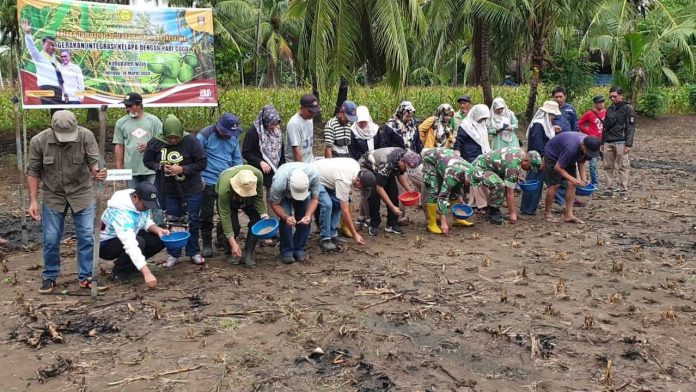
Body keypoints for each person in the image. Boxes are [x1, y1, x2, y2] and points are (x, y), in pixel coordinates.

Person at [26, 110, 107, 294]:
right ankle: (50, 276)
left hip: (81, 192)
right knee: (51, 237)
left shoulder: (86, 136)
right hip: (54, 194)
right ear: (51, 128)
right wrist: (33, 201)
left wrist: (98, 171)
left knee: (87, 235)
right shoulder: (38, 141)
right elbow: (33, 172)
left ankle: (87, 276)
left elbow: (94, 161)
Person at [143, 114, 207, 267]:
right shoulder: (156, 142)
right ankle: (174, 254)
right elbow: (147, 161)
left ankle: (194, 252)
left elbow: (202, 162)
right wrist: (159, 167)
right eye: (169, 138)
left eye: (175, 138)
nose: (172, 141)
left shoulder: (191, 141)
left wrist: (182, 169)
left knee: (192, 220)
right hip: (168, 189)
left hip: (191, 188)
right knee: (172, 220)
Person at [99, 182, 169, 287]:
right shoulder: (120, 213)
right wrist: (147, 273)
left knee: (160, 238)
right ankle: (119, 272)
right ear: (136, 197)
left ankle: (133, 265)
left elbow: (144, 221)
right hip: (105, 244)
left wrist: (158, 230)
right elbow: (130, 244)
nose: (147, 208)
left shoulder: (140, 205)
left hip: (130, 234)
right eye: (145, 205)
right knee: (138, 242)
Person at [197, 113, 244, 258]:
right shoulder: (205, 135)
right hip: (208, 180)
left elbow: (237, 160)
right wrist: (198, 177)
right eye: (226, 132)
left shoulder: (234, 137)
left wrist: (238, 178)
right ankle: (206, 244)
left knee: (227, 212)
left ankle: (222, 240)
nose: (228, 135)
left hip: (227, 181)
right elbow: (195, 157)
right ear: (219, 127)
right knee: (206, 214)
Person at [311, 158, 376, 251]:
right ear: (358, 180)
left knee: (338, 203)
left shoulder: (356, 167)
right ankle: (325, 238)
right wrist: (355, 235)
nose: (360, 190)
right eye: (361, 188)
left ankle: (332, 234)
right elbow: (345, 212)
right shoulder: (345, 180)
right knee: (327, 204)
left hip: (330, 179)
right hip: (315, 176)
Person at [359, 148, 421, 236]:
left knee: (394, 192)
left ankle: (392, 224)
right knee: (374, 195)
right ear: (402, 161)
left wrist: (409, 189)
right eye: (407, 167)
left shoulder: (404, 156)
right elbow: (379, 187)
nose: (407, 170)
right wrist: (392, 207)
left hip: (384, 168)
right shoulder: (387, 165)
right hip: (369, 166)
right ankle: (374, 223)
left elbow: (400, 172)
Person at [543, 133, 602, 224]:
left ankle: (569, 215)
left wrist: (583, 178)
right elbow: (558, 168)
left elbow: (581, 161)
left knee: (572, 184)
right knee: (555, 184)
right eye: (588, 151)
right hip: (553, 155)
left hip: (569, 157)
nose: (589, 154)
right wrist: (574, 179)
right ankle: (547, 213)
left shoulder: (590, 146)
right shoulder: (571, 148)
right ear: (583, 145)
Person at [473, 147, 542, 225]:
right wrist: (512, 214)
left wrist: (517, 176)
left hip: (489, 166)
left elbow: (504, 165)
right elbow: (510, 191)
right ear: (526, 160)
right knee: (500, 185)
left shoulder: (520, 154)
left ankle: (495, 208)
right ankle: (492, 212)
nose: (528, 170)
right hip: (479, 168)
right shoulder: (513, 165)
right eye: (530, 167)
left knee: (503, 183)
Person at [216, 165, 268, 268]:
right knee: (233, 226)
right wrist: (233, 244)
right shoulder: (224, 188)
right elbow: (225, 216)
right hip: (230, 199)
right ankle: (228, 251)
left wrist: (264, 215)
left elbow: (258, 198)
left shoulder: (258, 176)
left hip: (250, 199)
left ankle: (248, 254)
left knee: (257, 220)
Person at [422, 148, 483, 235]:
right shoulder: (453, 174)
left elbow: (458, 184)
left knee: (455, 191)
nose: (469, 185)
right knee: (433, 190)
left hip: (446, 160)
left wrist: (460, 197)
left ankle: (458, 219)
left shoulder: (470, 169)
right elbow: (442, 197)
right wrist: (444, 223)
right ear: (466, 177)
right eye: (469, 183)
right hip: (431, 159)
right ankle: (432, 223)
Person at [269, 162, 321, 264]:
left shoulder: (314, 176)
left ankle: (299, 248)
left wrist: (308, 215)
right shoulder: (279, 181)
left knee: (305, 219)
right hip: (284, 196)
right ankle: (287, 250)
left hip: (305, 196)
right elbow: (275, 204)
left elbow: (314, 199)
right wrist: (286, 216)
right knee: (286, 221)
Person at [520, 101, 561, 215]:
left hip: (541, 157)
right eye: (552, 115)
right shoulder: (539, 125)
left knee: (536, 183)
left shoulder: (545, 124)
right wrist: (542, 160)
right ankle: (528, 208)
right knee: (533, 183)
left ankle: (530, 207)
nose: (553, 117)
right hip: (537, 158)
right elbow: (538, 145)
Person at [114, 92, 162, 187]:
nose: (127, 109)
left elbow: (162, 141)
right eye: (126, 106)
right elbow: (119, 145)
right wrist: (119, 167)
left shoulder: (154, 121)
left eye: (130, 106)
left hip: (151, 168)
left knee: (151, 197)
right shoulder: (121, 122)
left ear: (140, 105)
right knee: (133, 197)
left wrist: (149, 146)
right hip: (131, 169)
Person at [454, 104, 491, 210]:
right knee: (474, 177)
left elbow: (484, 140)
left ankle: (478, 200)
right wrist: (457, 151)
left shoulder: (482, 125)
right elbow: (459, 140)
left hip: (481, 154)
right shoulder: (466, 126)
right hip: (469, 155)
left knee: (481, 177)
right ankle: (477, 202)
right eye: (481, 117)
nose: (482, 120)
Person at [550, 86, 582, 207]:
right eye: (556, 97)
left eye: (560, 96)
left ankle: (571, 196)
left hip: (570, 143)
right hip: (556, 144)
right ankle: (560, 199)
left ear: (565, 96)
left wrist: (577, 138)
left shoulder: (570, 109)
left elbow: (575, 124)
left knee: (570, 169)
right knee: (558, 170)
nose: (558, 99)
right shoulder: (550, 109)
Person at [602, 87, 635, 199]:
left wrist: (628, 144)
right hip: (608, 141)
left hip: (621, 142)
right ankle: (608, 189)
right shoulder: (610, 108)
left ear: (621, 95)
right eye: (611, 96)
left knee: (623, 166)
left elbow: (631, 127)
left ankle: (623, 190)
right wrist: (602, 142)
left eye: (615, 96)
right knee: (607, 166)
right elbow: (605, 126)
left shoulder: (628, 108)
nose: (612, 98)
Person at [21, 20, 63, 105]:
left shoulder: (54, 59)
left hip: (58, 88)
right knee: (53, 110)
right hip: (47, 88)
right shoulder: (39, 57)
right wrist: (27, 34)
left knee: (60, 109)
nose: (51, 47)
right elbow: (32, 49)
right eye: (49, 44)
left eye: (53, 45)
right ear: (43, 45)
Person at [578, 95, 606, 186]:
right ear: (595, 104)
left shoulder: (607, 112)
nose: (601, 104)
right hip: (593, 141)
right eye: (598, 102)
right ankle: (595, 182)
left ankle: (609, 183)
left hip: (604, 141)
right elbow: (580, 124)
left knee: (607, 162)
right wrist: (588, 132)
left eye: (602, 102)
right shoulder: (589, 114)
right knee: (592, 163)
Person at [285, 94, 320, 163]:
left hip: (310, 161)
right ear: (302, 107)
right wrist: (303, 169)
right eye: (310, 111)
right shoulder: (294, 123)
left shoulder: (310, 119)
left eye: (314, 112)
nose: (313, 114)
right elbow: (296, 151)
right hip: (295, 165)